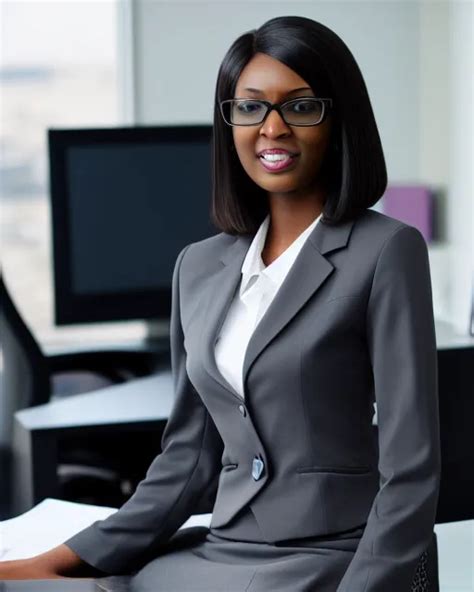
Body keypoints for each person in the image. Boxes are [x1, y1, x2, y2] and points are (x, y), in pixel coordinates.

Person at [0, 15, 441, 591]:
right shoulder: (199, 266)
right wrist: (62, 559)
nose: (272, 128)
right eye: (250, 107)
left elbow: (410, 471)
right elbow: (187, 461)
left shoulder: (386, 251)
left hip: (330, 552)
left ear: (339, 121)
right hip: (224, 544)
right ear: (229, 121)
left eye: (301, 107)